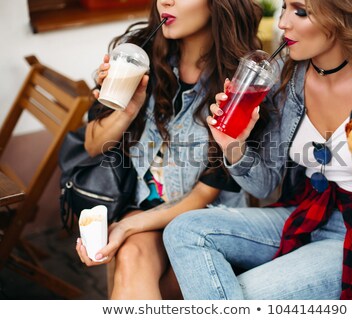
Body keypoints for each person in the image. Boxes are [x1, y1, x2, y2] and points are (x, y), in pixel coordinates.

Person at [163, 0, 352, 299]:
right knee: (183, 230)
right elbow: (264, 185)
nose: (282, 23)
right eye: (284, 7)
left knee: (244, 295)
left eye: (300, 11)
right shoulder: (287, 77)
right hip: (303, 214)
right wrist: (233, 146)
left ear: (342, 14)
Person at [75, 0, 265, 299]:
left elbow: (206, 194)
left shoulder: (241, 82)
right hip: (142, 208)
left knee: (167, 277)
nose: (166, 1)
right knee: (132, 257)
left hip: (205, 219)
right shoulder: (139, 53)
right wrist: (128, 108)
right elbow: (92, 144)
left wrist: (127, 227)